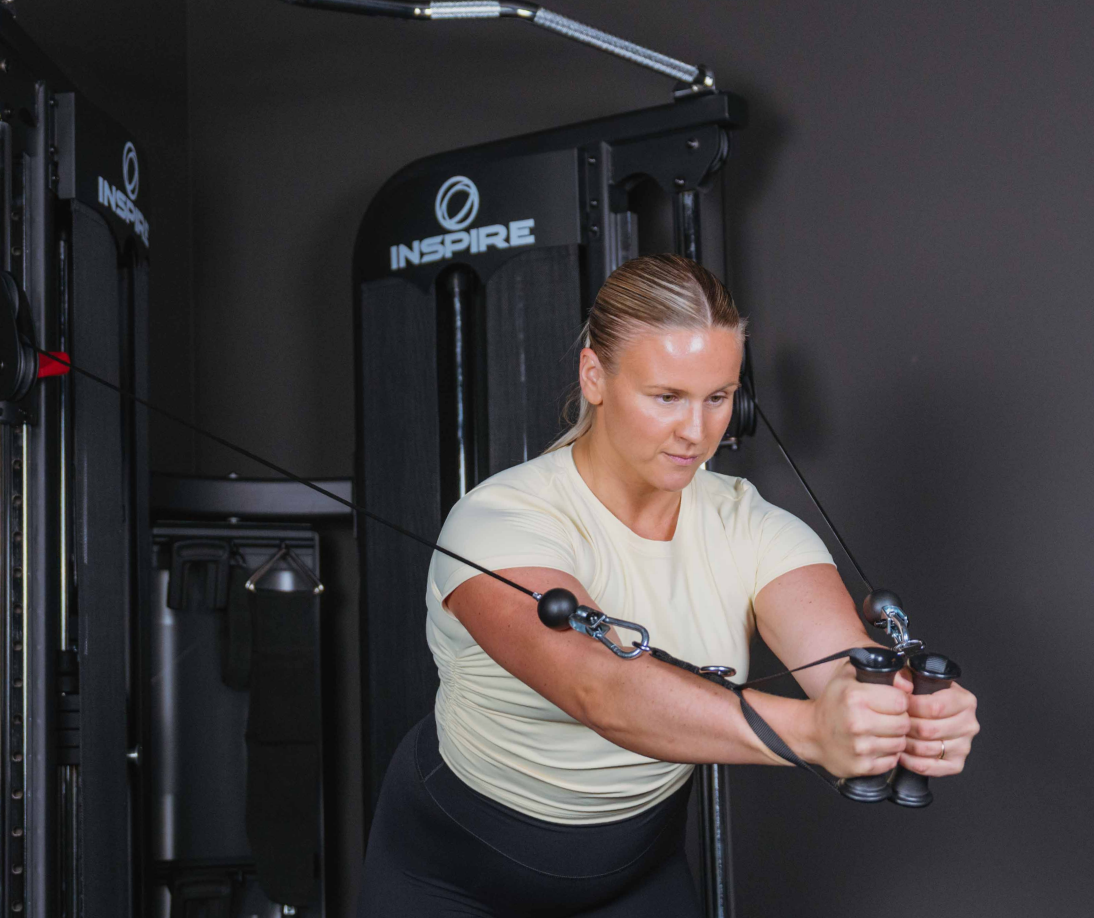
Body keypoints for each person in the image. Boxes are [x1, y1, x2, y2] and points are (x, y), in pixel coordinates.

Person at [359, 254, 979, 917]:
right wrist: (811, 733)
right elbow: (600, 688)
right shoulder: (500, 520)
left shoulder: (750, 526)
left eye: (718, 397)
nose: (696, 431)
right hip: (453, 869)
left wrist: (904, 715)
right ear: (594, 376)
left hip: (634, 867)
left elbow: (841, 668)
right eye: (666, 397)